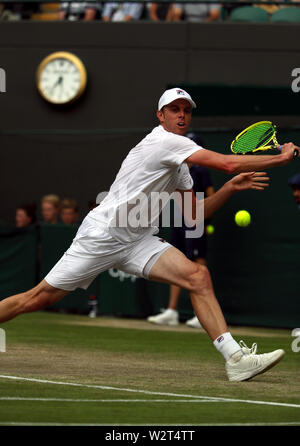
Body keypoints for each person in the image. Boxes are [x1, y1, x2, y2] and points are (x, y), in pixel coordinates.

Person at [0, 87, 298, 382]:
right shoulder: (164, 142)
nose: (182, 115)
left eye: (187, 110)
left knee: (197, 277)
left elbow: (195, 215)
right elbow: (227, 162)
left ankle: (236, 359)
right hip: (103, 234)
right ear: (161, 115)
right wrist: (279, 159)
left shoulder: (179, 164)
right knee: (37, 299)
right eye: (174, 109)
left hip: (137, 240)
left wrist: (228, 188)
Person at [147, 132, 215, 328]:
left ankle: (202, 314)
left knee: (198, 265)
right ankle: (172, 311)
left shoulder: (201, 172)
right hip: (178, 220)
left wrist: (202, 217)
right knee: (178, 264)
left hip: (195, 222)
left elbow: (211, 196)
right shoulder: (179, 170)